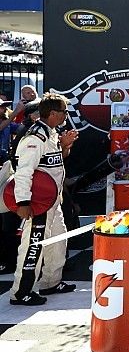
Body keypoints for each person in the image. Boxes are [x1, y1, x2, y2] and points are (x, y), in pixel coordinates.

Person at [9, 93, 79, 306]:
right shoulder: (34, 137)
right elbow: (23, 172)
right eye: (64, 112)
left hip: (53, 201)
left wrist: (65, 146)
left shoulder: (52, 133)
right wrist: (22, 203)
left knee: (58, 240)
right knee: (33, 245)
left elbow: (56, 162)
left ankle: (50, 281)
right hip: (37, 203)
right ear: (54, 113)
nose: (66, 116)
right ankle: (21, 292)